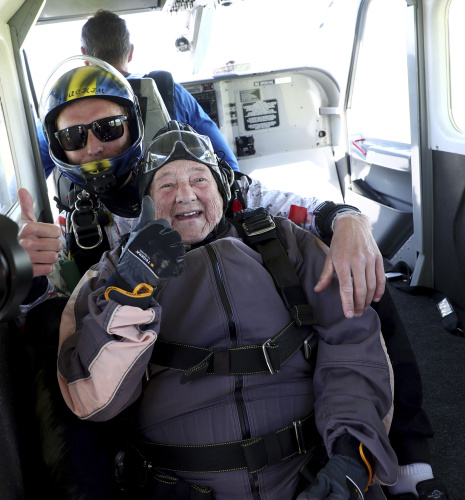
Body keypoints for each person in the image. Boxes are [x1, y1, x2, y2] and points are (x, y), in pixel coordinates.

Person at [21, 59, 447, 499]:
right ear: (57, 146)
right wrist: (31, 274)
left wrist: (345, 217)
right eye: (74, 135)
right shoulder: (77, 236)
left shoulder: (242, 206)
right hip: (174, 433)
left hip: (303, 452)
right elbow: (59, 327)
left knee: (356, 268)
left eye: (108, 128)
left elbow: (292, 207)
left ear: (132, 125)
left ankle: (411, 460)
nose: (94, 146)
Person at [56, 121, 398, 499]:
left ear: (221, 190)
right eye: (166, 184)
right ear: (149, 202)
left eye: (199, 180)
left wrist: (351, 455)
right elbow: (92, 399)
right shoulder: (111, 273)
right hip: (185, 486)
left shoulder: (282, 241)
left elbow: (351, 342)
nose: (185, 194)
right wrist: (130, 293)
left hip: (313, 472)